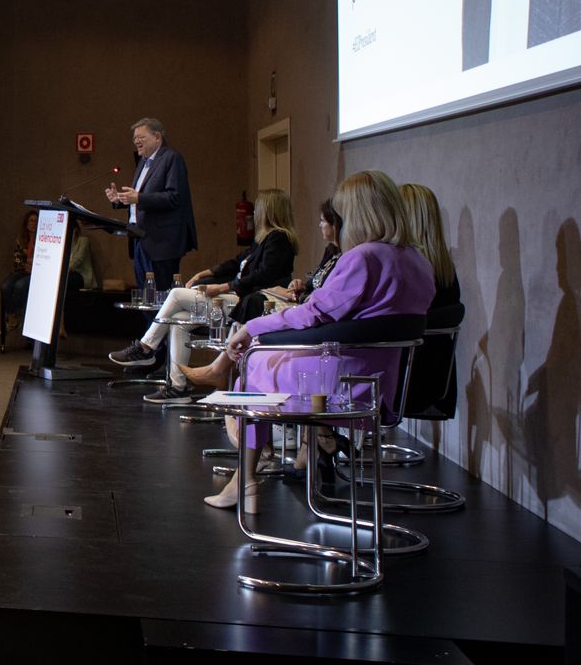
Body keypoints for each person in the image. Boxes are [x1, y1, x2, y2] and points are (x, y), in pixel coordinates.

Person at [183, 171, 435, 512]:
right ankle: (253, 474)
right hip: (381, 387)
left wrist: (253, 327)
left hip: (341, 386)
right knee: (258, 363)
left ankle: (246, 479)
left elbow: (313, 314)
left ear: (357, 214)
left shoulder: (363, 257)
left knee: (254, 363)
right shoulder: (419, 260)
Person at [108, 188, 299, 397]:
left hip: (249, 303)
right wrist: (204, 273)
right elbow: (235, 263)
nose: (254, 214)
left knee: (176, 295)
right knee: (178, 320)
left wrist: (222, 287)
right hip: (236, 297)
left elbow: (262, 276)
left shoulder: (279, 239)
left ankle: (145, 348)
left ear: (268, 211)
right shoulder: (262, 240)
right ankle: (177, 388)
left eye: (258, 209)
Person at [105, 117, 198, 291]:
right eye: (134, 138)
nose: (136, 141)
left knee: (159, 298)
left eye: (141, 137)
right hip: (139, 238)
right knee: (145, 298)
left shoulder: (172, 158)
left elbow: (174, 197)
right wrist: (120, 199)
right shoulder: (143, 162)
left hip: (161, 242)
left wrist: (138, 198)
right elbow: (141, 196)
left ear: (157, 137)